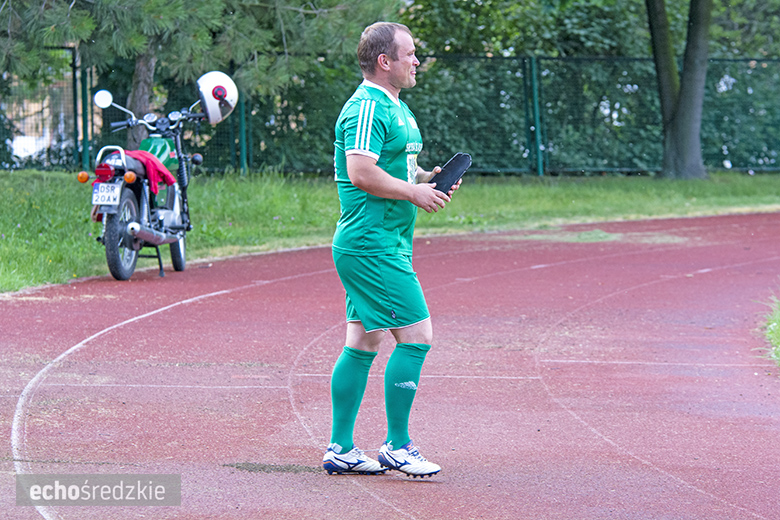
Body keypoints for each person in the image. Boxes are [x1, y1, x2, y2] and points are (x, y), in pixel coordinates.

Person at [322, 21, 460, 478]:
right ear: (385, 61)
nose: (417, 60)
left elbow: (397, 168)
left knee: (364, 340)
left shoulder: (397, 106)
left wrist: (425, 180)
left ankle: (341, 448)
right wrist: (413, 193)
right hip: (371, 243)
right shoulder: (366, 107)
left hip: (385, 242)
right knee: (417, 336)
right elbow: (361, 172)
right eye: (410, 53)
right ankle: (397, 445)